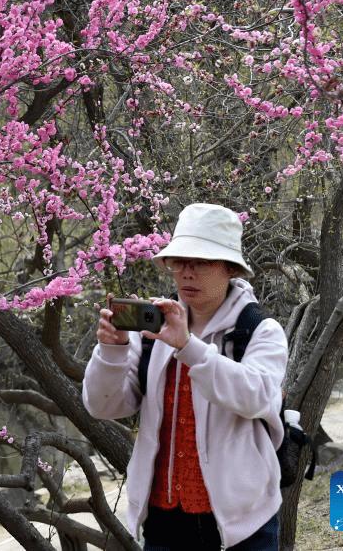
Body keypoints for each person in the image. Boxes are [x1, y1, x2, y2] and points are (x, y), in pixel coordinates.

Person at [82, 203, 288, 551]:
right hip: (164, 521)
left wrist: (189, 347)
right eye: (180, 262)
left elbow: (258, 397)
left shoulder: (260, 331)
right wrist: (112, 350)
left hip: (242, 526)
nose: (187, 273)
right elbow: (104, 407)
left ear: (230, 270)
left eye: (202, 262)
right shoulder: (155, 330)